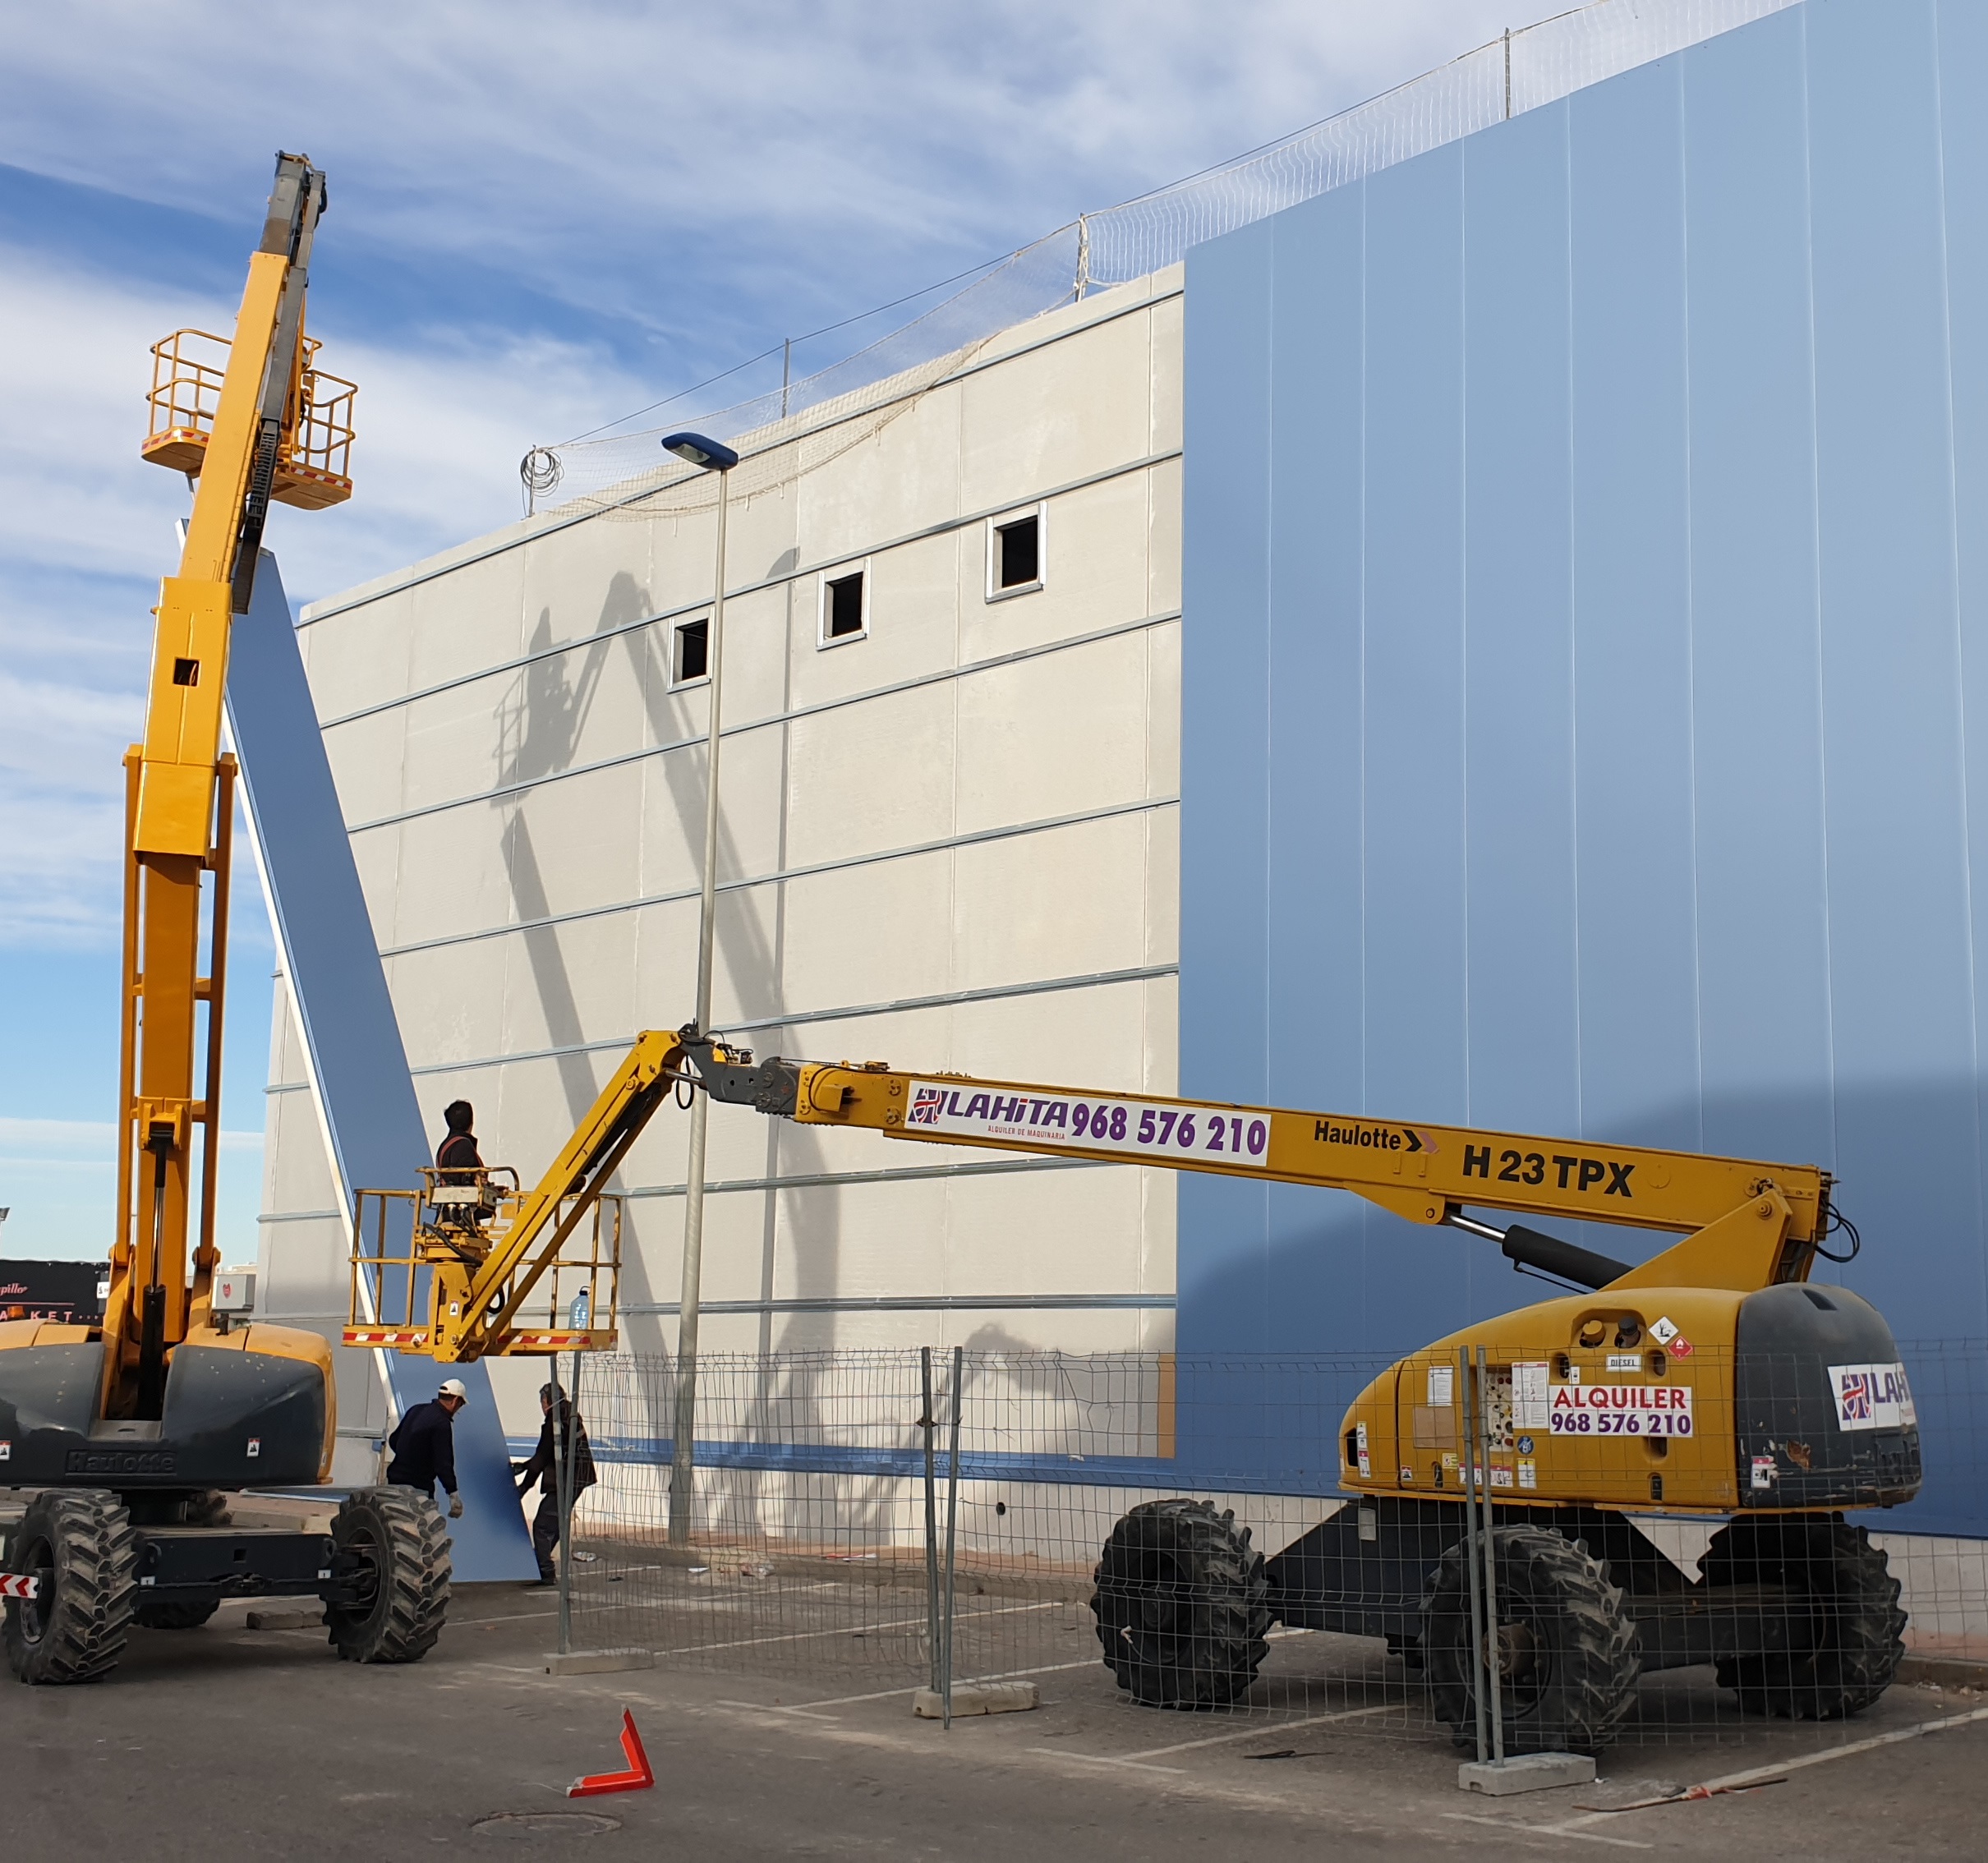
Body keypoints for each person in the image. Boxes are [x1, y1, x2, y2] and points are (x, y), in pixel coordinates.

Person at [513, 1382, 596, 1585]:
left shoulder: (555, 1421)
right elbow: (548, 1453)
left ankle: (544, 1572)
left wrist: (524, 1487)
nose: (542, 1407)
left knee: (542, 1526)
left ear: (546, 1401)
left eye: (542, 1402)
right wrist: (526, 1466)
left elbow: (542, 1456)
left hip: (567, 1478)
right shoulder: (570, 1414)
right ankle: (539, 1564)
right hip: (579, 1477)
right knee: (556, 1522)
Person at [387, 1378, 468, 1519]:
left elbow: (394, 1440)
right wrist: (453, 1493)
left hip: (394, 1480)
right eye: (460, 1405)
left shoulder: (416, 1410)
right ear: (455, 1401)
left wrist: (407, 1458)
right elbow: (443, 1464)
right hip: (418, 1489)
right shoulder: (442, 1424)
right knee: (422, 1529)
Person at [436, 1101, 482, 1182]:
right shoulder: (463, 1145)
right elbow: (464, 1181)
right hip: (464, 1194)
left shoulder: (444, 1146)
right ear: (471, 1122)